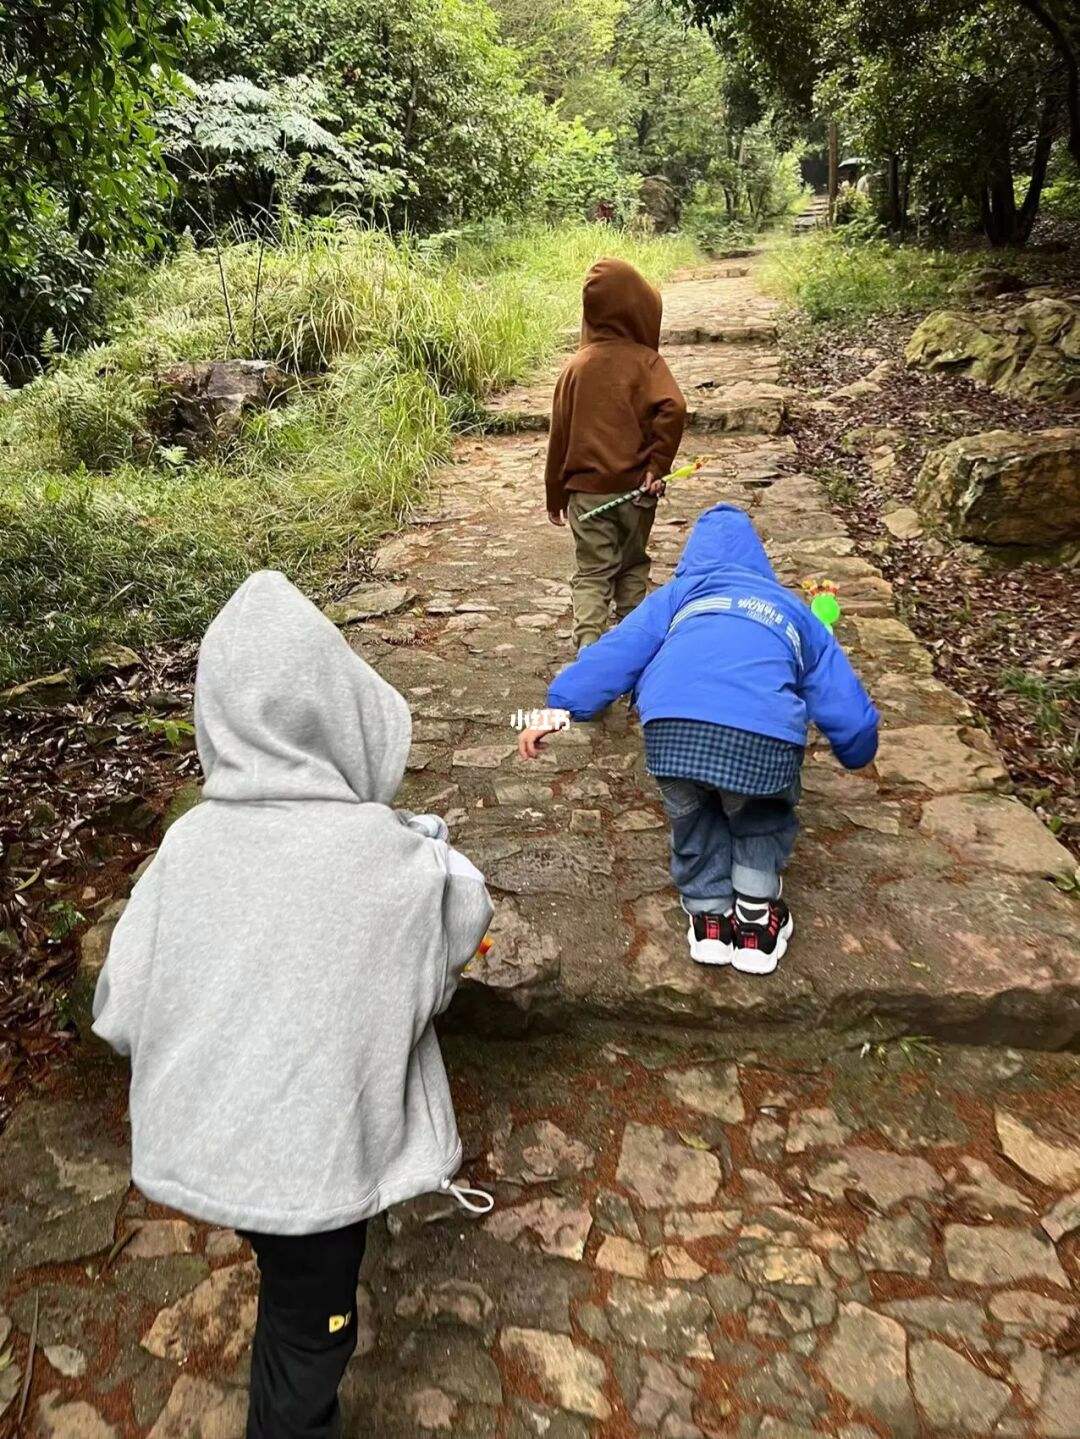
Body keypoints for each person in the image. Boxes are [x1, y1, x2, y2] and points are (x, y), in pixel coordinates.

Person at [93, 570, 493, 1439]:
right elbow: (464, 913)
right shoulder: (388, 859)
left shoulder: (186, 848)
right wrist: (422, 843)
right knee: (309, 1325)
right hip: (315, 1162)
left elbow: (119, 1007)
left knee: (275, 1246)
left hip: (215, 1138)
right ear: (342, 708)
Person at [518, 505, 878, 976]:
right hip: (760, 738)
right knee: (760, 816)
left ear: (694, 556)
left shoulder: (679, 595)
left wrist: (559, 708)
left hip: (673, 730)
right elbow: (838, 693)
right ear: (758, 559)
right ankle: (754, 921)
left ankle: (709, 917)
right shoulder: (792, 608)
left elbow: (617, 652)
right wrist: (857, 746)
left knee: (693, 817)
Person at [545, 257, 687, 651]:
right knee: (632, 565)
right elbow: (673, 408)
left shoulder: (576, 367)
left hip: (585, 495)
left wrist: (554, 493)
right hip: (635, 492)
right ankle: (633, 644)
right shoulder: (647, 363)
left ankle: (589, 649)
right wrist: (656, 465)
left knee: (592, 573)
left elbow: (559, 436)